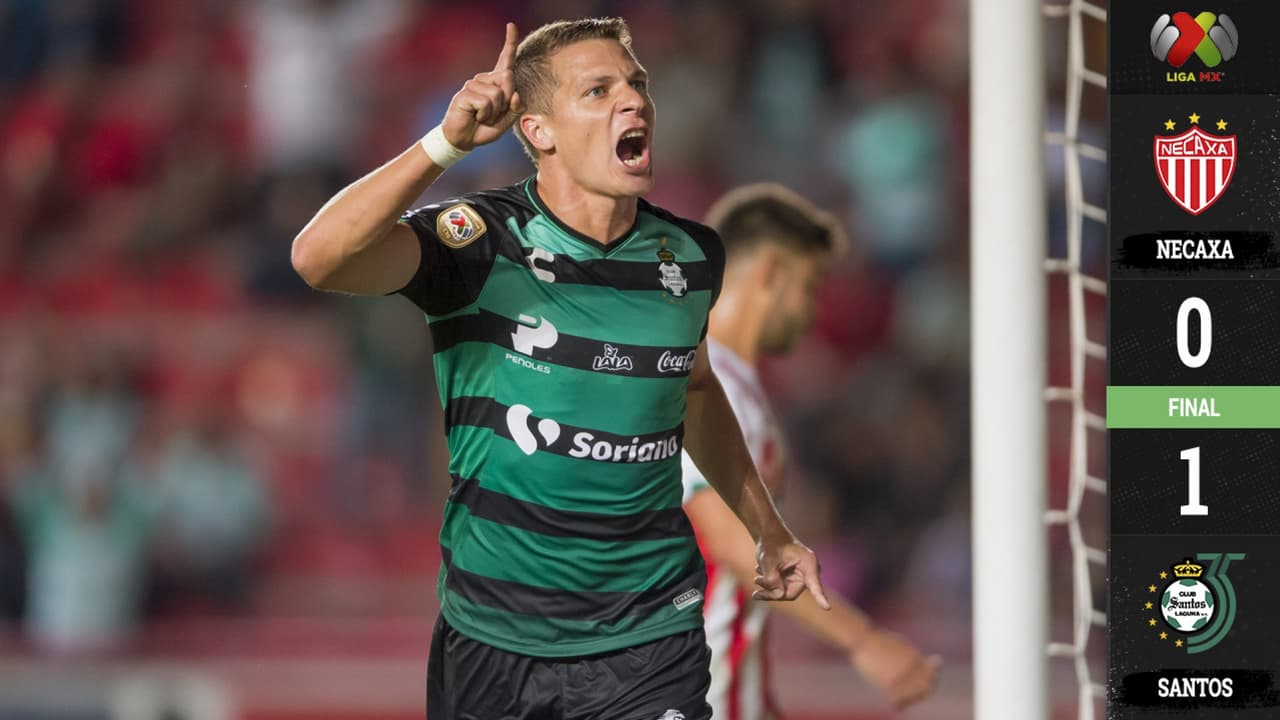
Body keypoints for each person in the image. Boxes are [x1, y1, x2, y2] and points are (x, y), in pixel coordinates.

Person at [291, 18, 828, 720]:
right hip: (493, 640)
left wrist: (770, 531)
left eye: (636, 84)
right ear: (539, 131)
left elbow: (693, 390)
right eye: (597, 91)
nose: (632, 100)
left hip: (649, 637)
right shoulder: (479, 243)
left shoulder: (692, 257)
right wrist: (445, 145)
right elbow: (318, 258)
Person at [682, 184, 940, 718]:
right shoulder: (714, 387)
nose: (811, 308)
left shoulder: (731, 385)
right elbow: (732, 542)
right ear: (770, 271)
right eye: (810, 284)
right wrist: (863, 639)